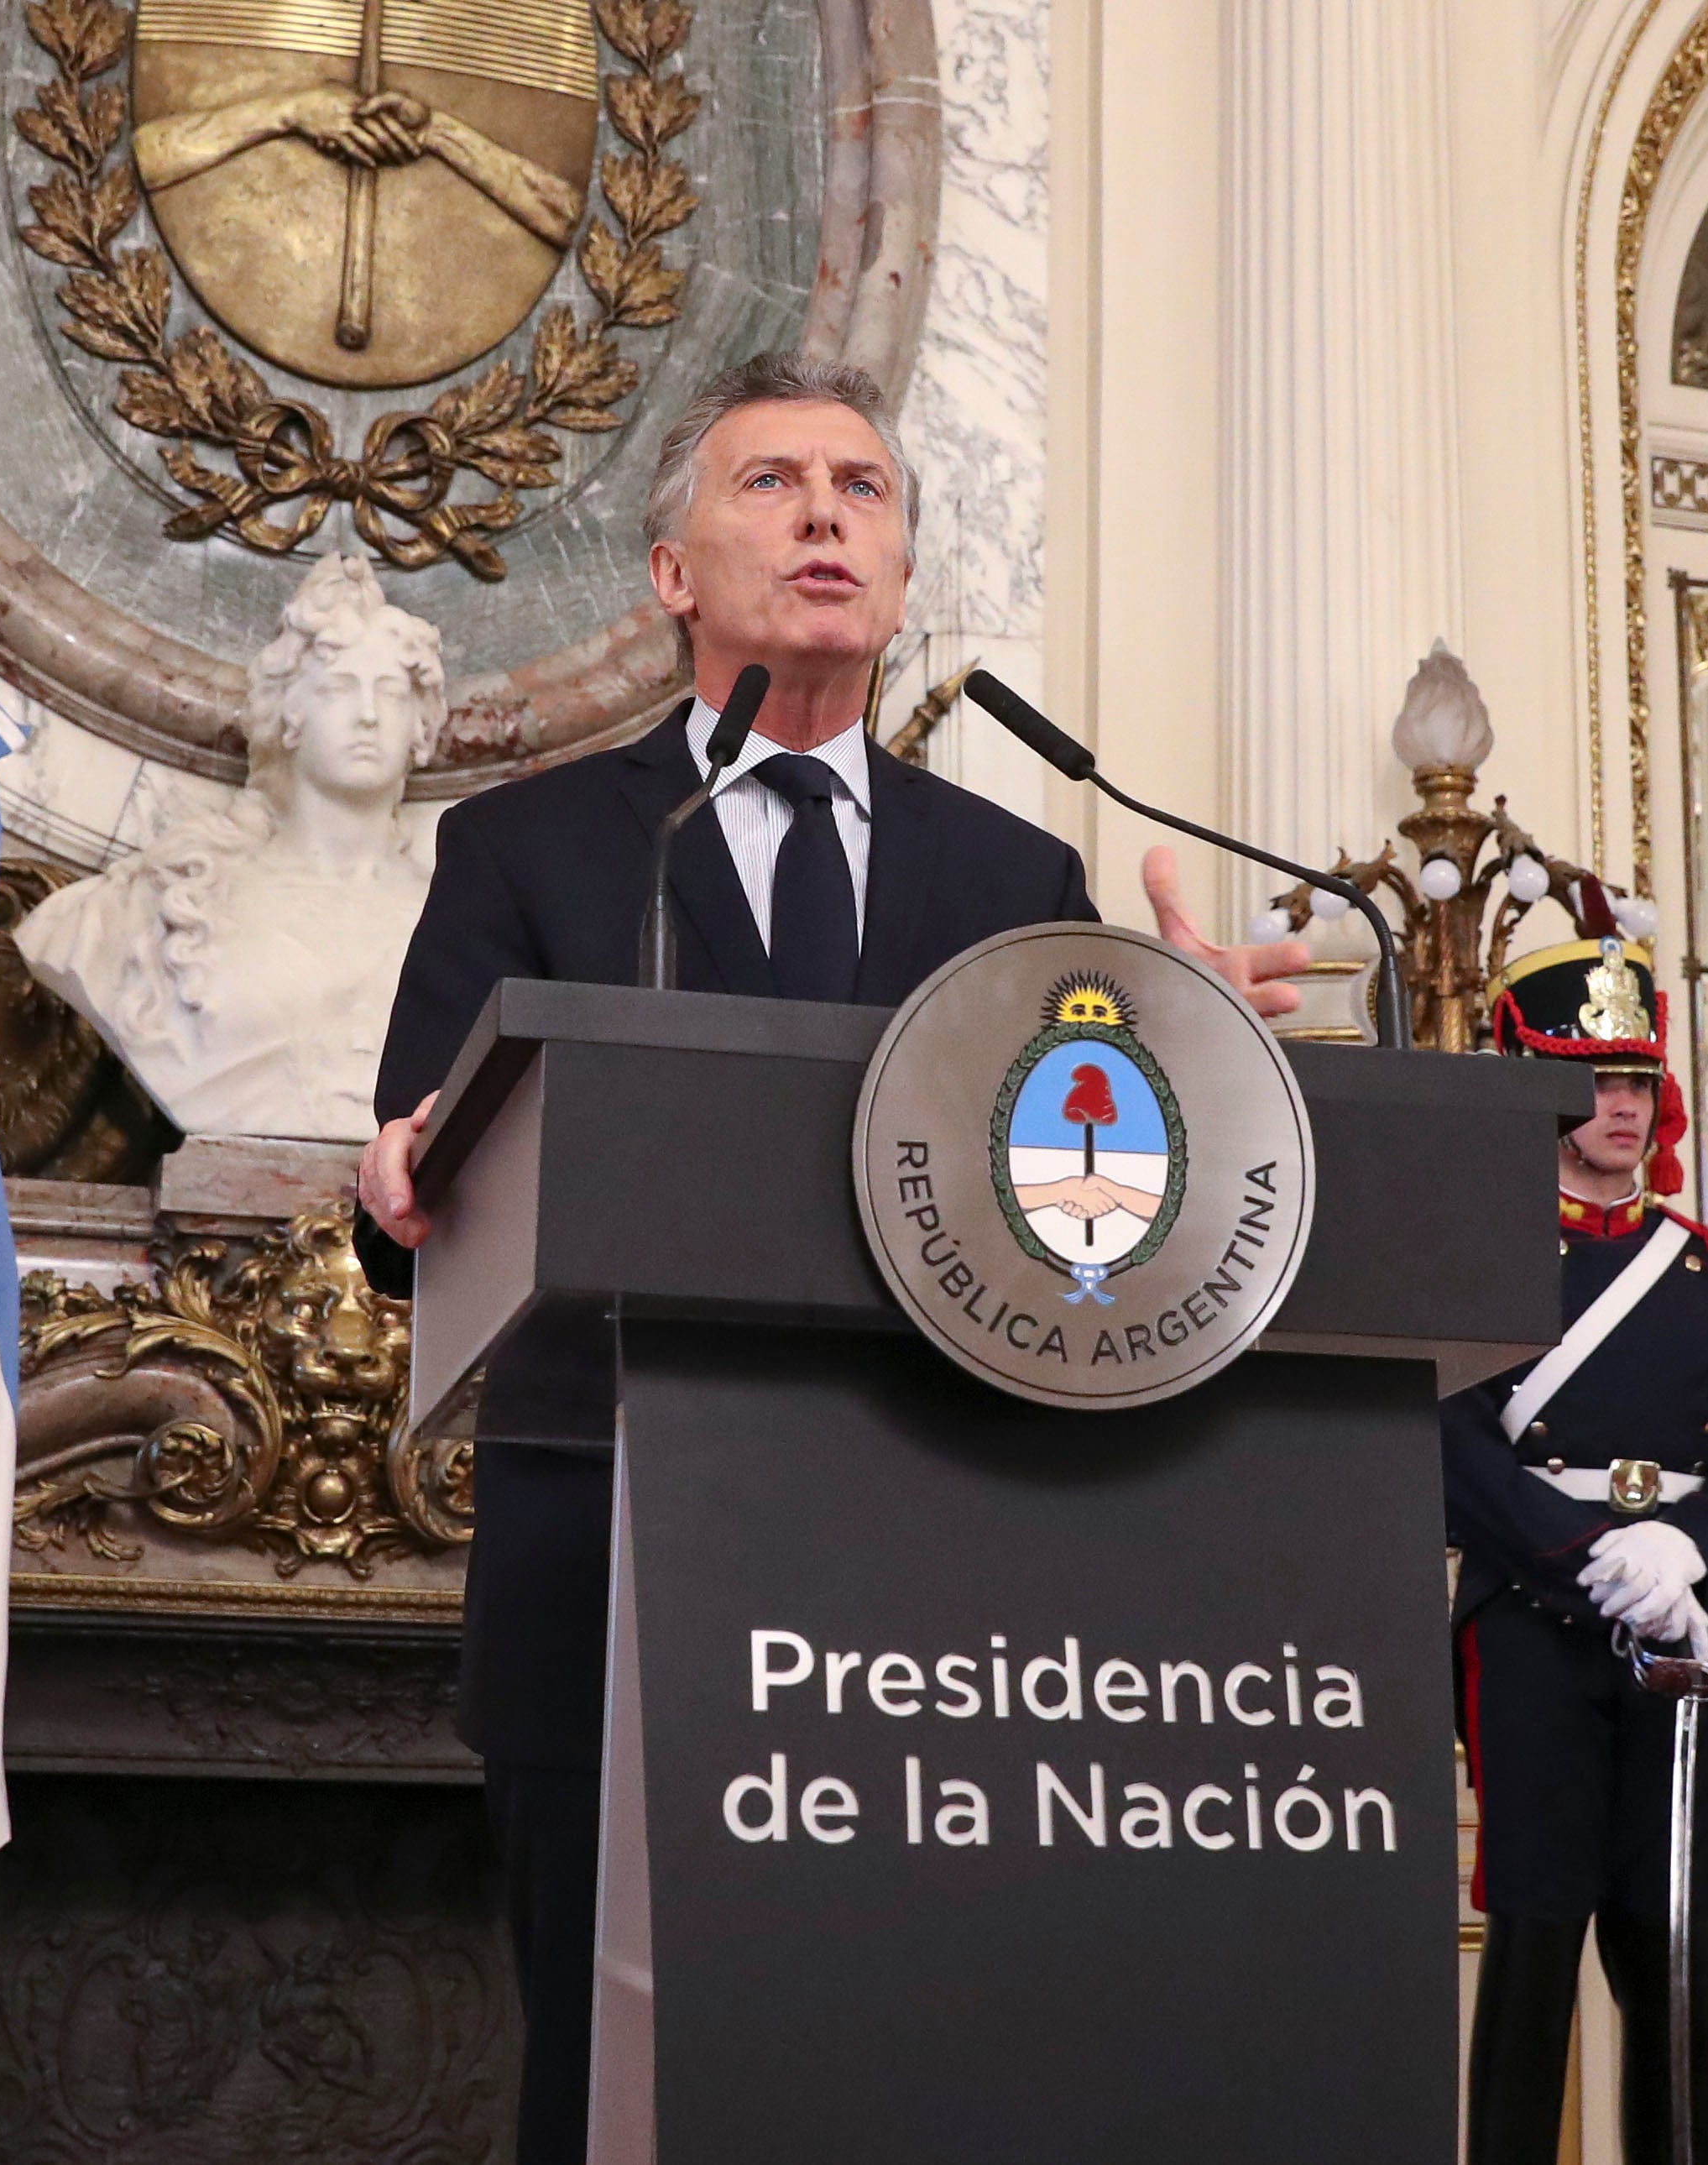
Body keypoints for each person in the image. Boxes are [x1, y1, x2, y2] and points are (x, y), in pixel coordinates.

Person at [349, 352, 1308, 2164]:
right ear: (670, 574)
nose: (822, 516)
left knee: (889, 2079)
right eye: (771, 483)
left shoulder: (1012, 876)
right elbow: (410, 1198)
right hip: (606, 1545)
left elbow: (1069, 1219)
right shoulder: (529, 843)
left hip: (933, 1577)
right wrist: (403, 1169)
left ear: (900, 570)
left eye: (861, 490)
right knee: (603, 2086)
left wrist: (1195, 1056)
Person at [1444, 921, 1708, 2165]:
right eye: (1590, 1076)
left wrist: (1689, 1552)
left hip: (1680, 1628)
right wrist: (1583, 1551)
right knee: (1535, 1936)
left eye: (1635, 1078)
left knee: (1675, 1944)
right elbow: (1450, 1437)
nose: (1617, 1104)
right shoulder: (1474, 1249)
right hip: (1536, 1616)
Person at [15, 552, 443, 1140]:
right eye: (341, 689)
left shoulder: (457, 918)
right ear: (289, 715)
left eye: (392, 694)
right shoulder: (161, 901)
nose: (368, 716)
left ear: (422, 726)